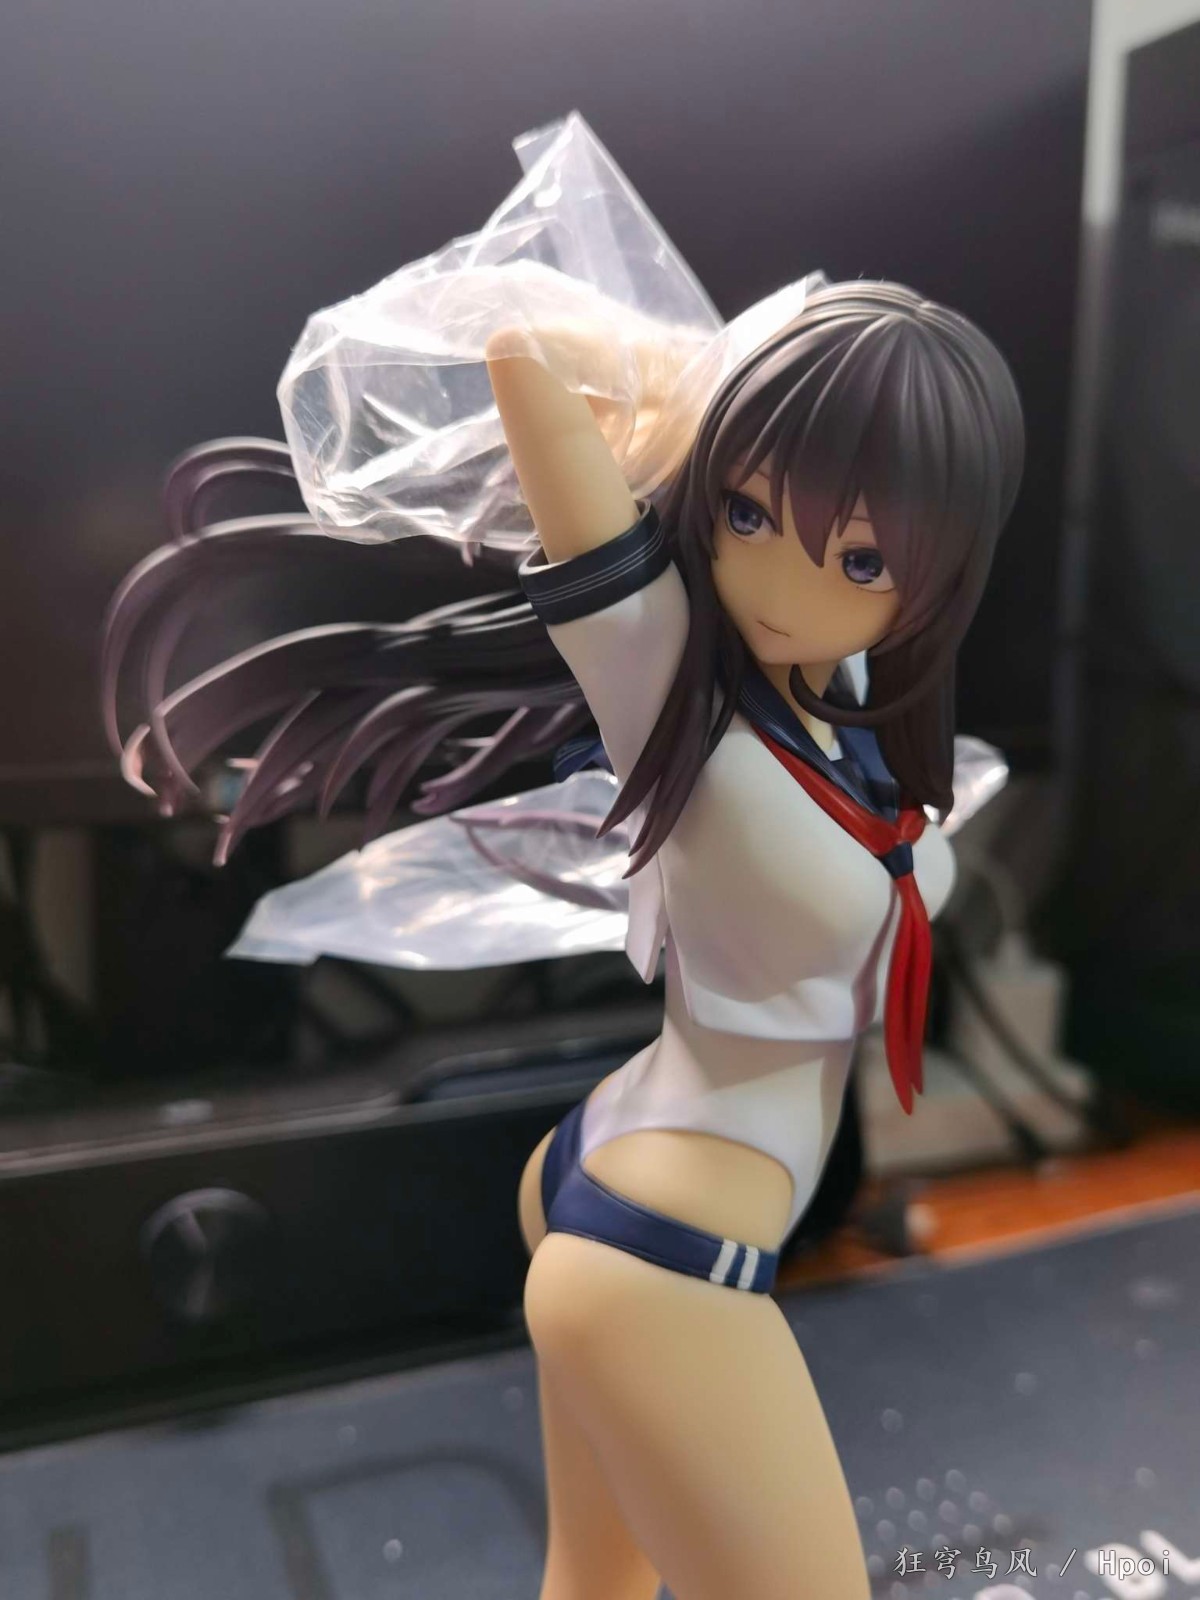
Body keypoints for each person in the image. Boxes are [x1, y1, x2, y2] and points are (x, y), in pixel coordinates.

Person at [103, 278, 1022, 1600]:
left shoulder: (845, 701)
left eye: (863, 558)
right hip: (664, 1253)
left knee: (594, 1583)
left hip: (629, 1173)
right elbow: (521, 359)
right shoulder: (680, 699)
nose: (778, 578)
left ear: (938, 577)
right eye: (746, 512)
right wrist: (687, 381)